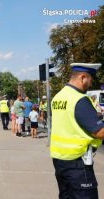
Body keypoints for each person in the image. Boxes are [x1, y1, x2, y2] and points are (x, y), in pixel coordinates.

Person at [51, 63, 104, 199]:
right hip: (78, 163)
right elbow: (99, 132)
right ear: (83, 77)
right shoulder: (79, 99)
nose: (91, 83)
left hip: (60, 160)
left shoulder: (58, 97)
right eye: (90, 79)